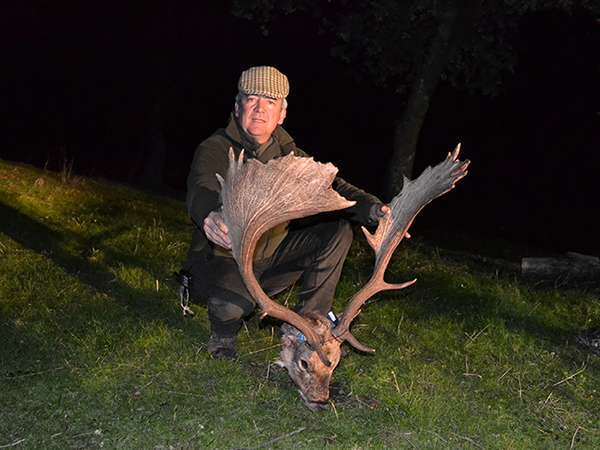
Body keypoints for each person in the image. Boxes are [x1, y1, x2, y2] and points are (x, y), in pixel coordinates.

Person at [185, 66, 389, 359]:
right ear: (237, 105)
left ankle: (310, 325)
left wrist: (374, 209)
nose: (259, 109)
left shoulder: (290, 157)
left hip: (271, 260)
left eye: (270, 102)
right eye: (252, 99)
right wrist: (209, 215)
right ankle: (223, 336)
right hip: (223, 261)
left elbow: (335, 187)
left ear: (282, 114)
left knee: (337, 230)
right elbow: (200, 187)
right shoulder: (214, 148)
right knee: (230, 307)